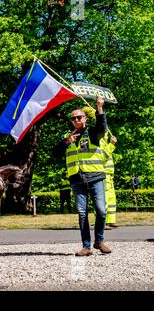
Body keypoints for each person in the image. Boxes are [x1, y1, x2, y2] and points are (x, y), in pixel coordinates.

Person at [53, 97, 111, 256]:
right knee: (82, 213)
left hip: (95, 177)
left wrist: (99, 108)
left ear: (85, 119)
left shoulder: (92, 132)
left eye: (79, 117)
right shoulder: (67, 136)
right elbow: (55, 154)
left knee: (101, 211)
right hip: (77, 180)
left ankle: (99, 241)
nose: (76, 119)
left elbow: (102, 127)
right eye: (74, 118)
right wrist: (66, 142)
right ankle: (86, 246)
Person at [100, 133, 118, 229]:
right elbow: (102, 157)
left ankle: (110, 220)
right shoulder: (99, 142)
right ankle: (103, 223)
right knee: (104, 199)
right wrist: (111, 145)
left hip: (109, 175)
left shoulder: (104, 142)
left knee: (111, 199)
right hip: (103, 174)